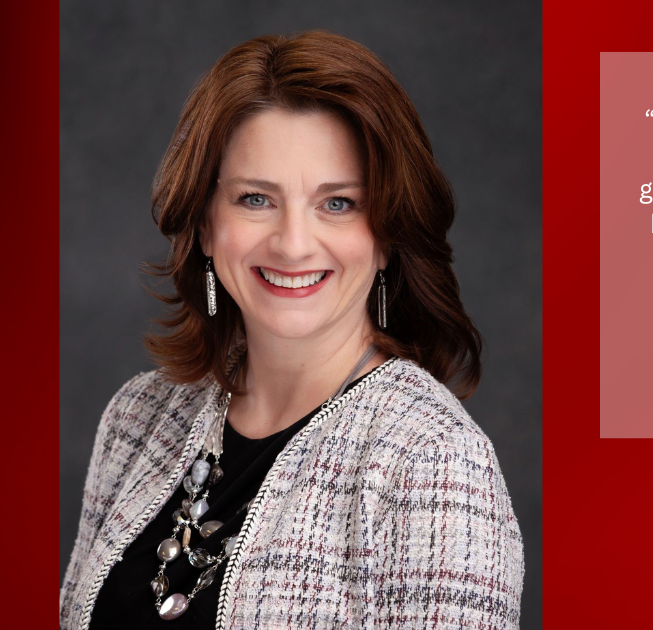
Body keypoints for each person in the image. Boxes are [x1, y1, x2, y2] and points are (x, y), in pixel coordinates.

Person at [59, 30, 523, 629]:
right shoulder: (138, 419)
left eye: (338, 203)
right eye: (256, 199)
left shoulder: (432, 461)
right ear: (204, 225)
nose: (294, 244)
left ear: (388, 237)